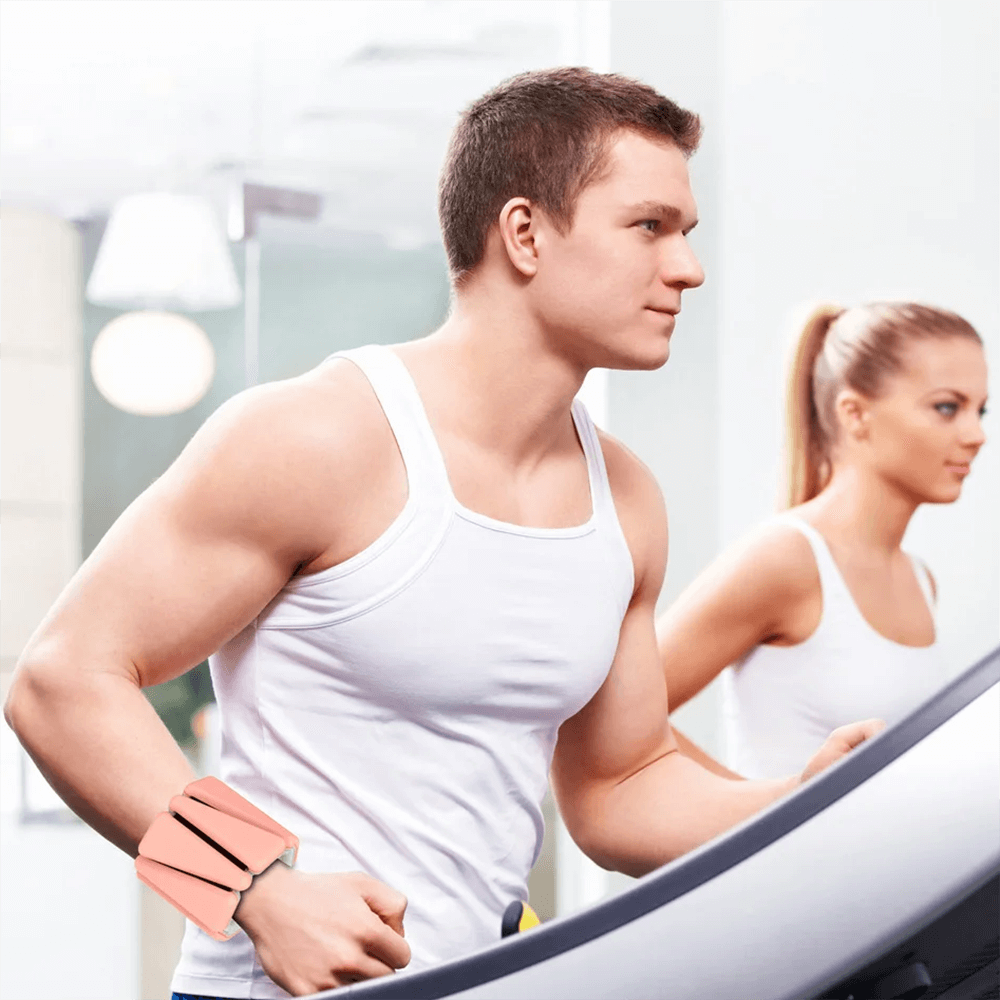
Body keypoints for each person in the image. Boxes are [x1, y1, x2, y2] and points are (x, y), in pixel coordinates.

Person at [3, 68, 882, 999]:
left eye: (687, 232)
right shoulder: (318, 437)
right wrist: (255, 890)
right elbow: (58, 684)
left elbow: (620, 787)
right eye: (649, 226)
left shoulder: (626, 499)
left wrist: (791, 805)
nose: (687, 268)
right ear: (525, 233)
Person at [657, 302, 988, 781]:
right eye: (947, 407)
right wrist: (765, 807)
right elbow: (611, 717)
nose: (977, 435)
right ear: (855, 414)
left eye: (981, 410)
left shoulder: (920, 580)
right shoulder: (785, 559)